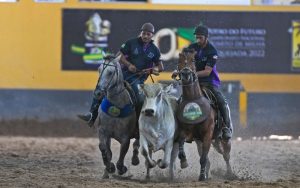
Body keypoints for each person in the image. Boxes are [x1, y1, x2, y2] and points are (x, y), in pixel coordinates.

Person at [78, 22, 164, 126]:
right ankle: (92, 115)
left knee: (138, 94)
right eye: (144, 33)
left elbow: (161, 67)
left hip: (139, 78)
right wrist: (129, 65)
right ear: (141, 33)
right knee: (102, 85)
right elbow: (121, 56)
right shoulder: (131, 43)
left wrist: (150, 70)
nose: (145, 36)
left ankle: (138, 124)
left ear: (152, 35)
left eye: (148, 34)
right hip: (123, 73)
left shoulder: (155, 50)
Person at [172, 25, 233, 140]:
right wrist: (178, 71)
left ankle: (226, 127)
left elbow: (207, 71)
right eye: (196, 38)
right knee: (180, 101)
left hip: (208, 82)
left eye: (200, 38)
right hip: (192, 83)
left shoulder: (212, 51)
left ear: (206, 37)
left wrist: (192, 74)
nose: (198, 40)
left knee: (220, 100)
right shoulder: (191, 47)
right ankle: (177, 127)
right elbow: (184, 63)